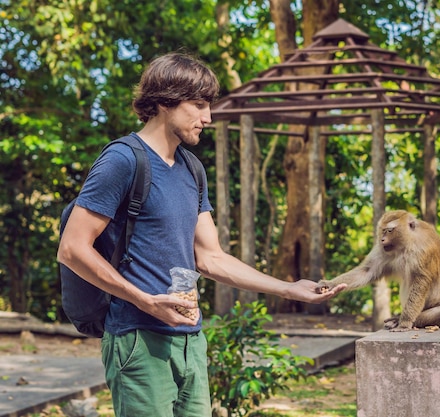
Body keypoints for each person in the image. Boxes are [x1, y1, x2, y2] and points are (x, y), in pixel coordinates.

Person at [57, 52, 346, 417]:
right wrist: (143, 299)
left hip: (191, 340)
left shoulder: (192, 169)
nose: (207, 117)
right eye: (198, 105)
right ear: (164, 101)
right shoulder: (123, 160)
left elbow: (210, 257)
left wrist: (288, 288)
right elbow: (72, 248)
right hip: (137, 337)